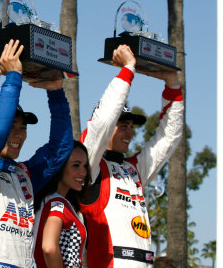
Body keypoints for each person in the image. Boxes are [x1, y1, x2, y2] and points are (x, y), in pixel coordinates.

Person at [0, 39, 74, 268]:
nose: (19, 135)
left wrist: (56, 93)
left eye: (22, 128)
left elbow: (60, 149)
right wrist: (13, 77)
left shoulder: (25, 173)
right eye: (12, 126)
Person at [79, 44, 184, 267]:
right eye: (123, 126)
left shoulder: (133, 169)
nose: (130, 132)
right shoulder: (88, 163)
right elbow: (102, 122)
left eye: (131, 126)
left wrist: (172, 82)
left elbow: (169, 137)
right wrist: (128, 70)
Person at [33, 141, 91, 268]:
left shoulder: (48, 201)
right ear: (59, 166)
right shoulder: (57, 204)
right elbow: (49, 248)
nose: (83, 172)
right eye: (76, 165)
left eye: (85, 166)